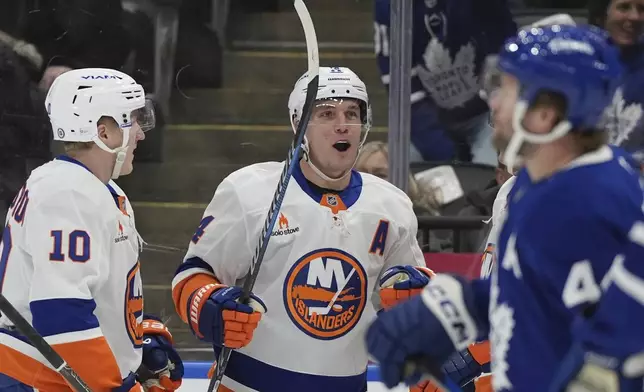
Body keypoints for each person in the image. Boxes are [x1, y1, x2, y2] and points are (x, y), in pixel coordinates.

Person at [366, 24, 644, 392]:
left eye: (507, 90)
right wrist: (456, 307)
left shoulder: (597, 202)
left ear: (544, 115)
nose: (492, 101)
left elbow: (614, 348)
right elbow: (538, 296)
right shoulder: (531, 183)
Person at [171, 66, 438, 392]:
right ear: (298, 125)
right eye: (326, 114)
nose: (342, 125)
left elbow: (403, 298)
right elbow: (192, 275)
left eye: (351, 113)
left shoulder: (392, 205)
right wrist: (211, 306)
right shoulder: (250, 192)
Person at [0, 68, 183, 391]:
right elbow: (61, 311)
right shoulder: (66, 193)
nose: (140, 133)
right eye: (132, 120)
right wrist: (112, 386)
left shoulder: (102, 189)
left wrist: (136, 342)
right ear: (103, 132)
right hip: (39, 382)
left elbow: (99, 291)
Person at [373, 0, 516, 164]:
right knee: (397, 167)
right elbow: (402, 88)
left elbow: (504, 52)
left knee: (490, 170)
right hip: (430, 119)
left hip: (486, 114)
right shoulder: (390, 6)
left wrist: (490, 100)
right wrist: (443, 152)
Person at [588, 0, 644, 165]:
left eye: (642, 9)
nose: (634, 16)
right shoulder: (582, 64)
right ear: (602, 14)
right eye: (624, 7)